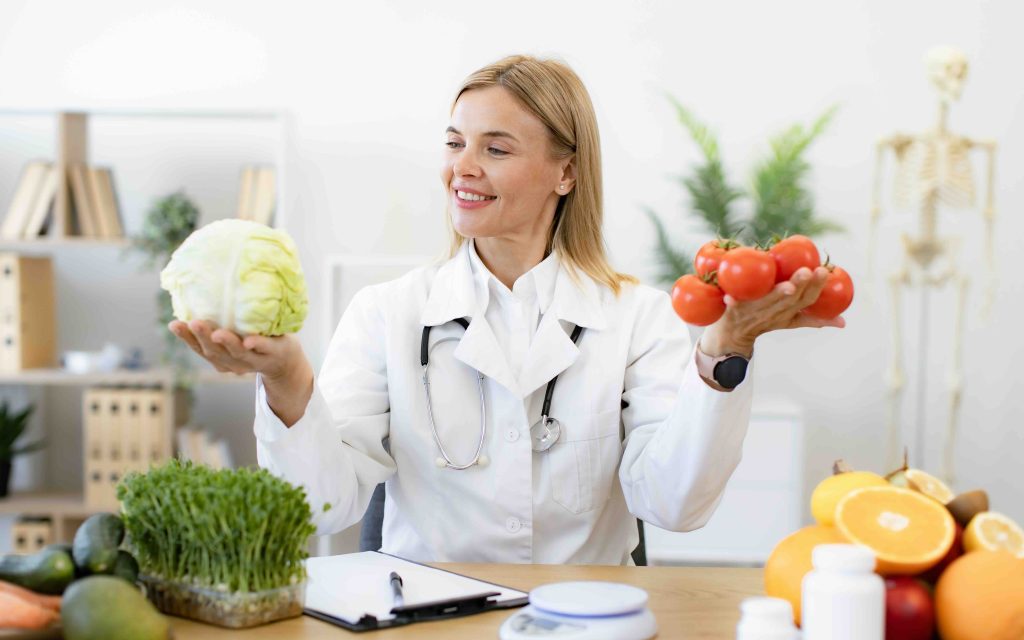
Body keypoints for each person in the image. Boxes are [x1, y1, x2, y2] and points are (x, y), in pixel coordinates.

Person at [170, 55, 842, 565]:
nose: (463, 167)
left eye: (496, 148)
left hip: (587, 631)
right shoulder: (387, 313)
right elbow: (323, 503)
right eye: (455, 142)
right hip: (425, 634)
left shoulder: (639, 317)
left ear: (566, 173)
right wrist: (286, 379)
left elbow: (674, 504)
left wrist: (724, 351)